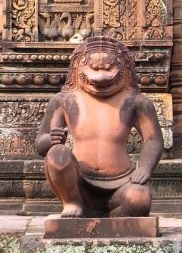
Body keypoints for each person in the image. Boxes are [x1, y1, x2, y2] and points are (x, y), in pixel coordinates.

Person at [36, 36, 164, 218]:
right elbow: (41, 145)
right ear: (77, 68)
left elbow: (153, 139)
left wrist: (144, 168)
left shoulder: (136, 102)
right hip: (78, 183)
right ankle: (73, 203)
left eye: (109, 68)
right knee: (56, 154)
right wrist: (51, 139)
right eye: (94, 68)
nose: (101, 75)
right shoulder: (64, 101)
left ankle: (112, 216)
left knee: (139, 199)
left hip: (122, 183)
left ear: (124, 69)